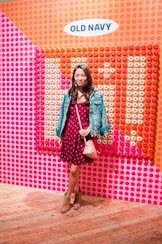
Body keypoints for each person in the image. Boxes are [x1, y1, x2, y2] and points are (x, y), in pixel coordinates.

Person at [55, 64, 110, 213]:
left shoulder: (95, 94)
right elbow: (63, 115)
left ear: (87, 77)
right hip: (69, 134)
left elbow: (100, 116)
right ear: (74, 77)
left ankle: (67, 197)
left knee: (73, 170)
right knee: (74, 168)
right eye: (77, 75)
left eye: (83, 75)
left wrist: (90, 129)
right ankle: (78, 194)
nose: (80, 78)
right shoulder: (68, 94)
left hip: (83, 136)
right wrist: (60, 134)